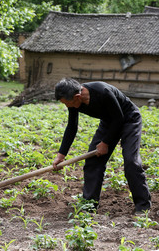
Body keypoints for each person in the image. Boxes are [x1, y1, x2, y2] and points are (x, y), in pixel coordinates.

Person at [52, 78, 151, 214]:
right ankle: (89, 205)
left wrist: (105, 143)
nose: (67, 106)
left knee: (131, 161)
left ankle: (143, 206)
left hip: (129, 119)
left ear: (77, 96)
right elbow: (72, 127)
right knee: (93, 161)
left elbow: (119, 118)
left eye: (67, 103)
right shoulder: (74, 102)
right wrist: (61, 155)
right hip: (109, 122)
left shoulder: (102, 91)